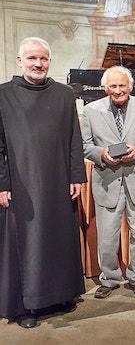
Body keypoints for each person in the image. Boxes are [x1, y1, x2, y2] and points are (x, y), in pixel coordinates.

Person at [0, 37, 86, 328]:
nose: (39, 64)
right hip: (22, 185)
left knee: (58, 238)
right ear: (19, 61)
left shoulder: (63, 94)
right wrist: (2, 183)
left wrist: (76, 176)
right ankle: (26, 306)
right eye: (33, 58)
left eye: (44, 59)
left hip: (59, 181)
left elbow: (76, 138)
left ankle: (60, 295)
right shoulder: (3, 95)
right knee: (28, 244)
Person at [80, 66, 135, 299]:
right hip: (107, 180)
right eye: (113, 86)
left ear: (131, 87)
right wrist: (101, 154)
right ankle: (110, 278)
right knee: (107, 235)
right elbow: (84, 145)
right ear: (105, 88)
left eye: (122, 86)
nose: (118, 90)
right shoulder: (90, 111)